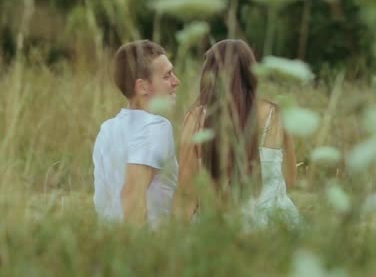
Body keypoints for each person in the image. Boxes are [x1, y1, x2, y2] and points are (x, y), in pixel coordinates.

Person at [173, 39, 299, 229]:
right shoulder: (277, 115)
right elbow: (290, 179)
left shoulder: (197, 118)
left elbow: (187, 193)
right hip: (276, 228)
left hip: (222, 229)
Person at [92, 40, 181, 227]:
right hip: (145, 246)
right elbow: (132, 196)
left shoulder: (106, 129)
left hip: (107, 242)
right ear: (142, 87)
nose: (176, 82)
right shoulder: (156, 127)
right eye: (167, 76)